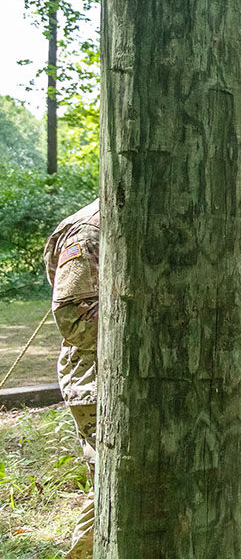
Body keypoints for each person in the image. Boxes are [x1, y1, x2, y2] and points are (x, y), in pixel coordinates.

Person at [43, 199, 100, 559]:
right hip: (96, 374)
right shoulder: (91, 230)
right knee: (117, 482)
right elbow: (73, 321)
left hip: (147, 372)